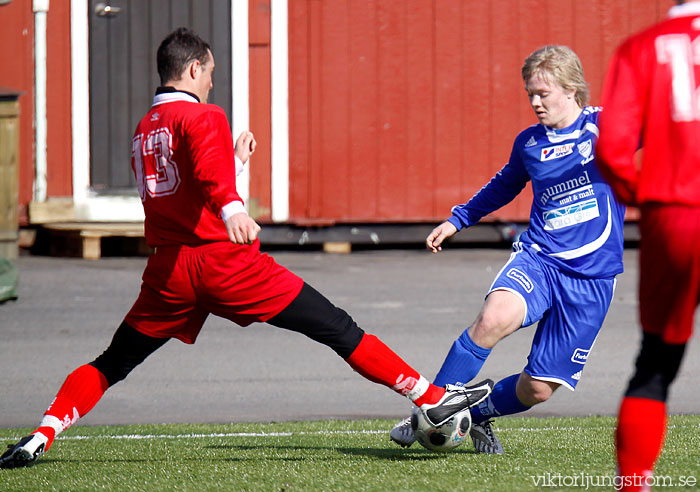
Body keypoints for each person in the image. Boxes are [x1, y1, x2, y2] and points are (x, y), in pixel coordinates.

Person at [0, 28, 494, 469]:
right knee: (336, 327)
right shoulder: (204, 115)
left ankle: (42, 433)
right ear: (193, 69)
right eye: (210, 71)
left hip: (168, 271)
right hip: (222, 263)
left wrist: (234, 166)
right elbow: (211, 181)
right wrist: (234, 206)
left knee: (112, 363)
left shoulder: (144, 128)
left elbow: (190, 185)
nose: (213, 82)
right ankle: (431, 398)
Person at [389, 45, 626, 454]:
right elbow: (503, 185)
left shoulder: (607, 127)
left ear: (571, 90)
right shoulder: (530, 143)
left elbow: (668, 127)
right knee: (492, 318)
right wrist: (457, 219)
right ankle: (430, 411)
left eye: (543, 94)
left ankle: (476, 414)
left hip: (593, 277)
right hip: (540, 258)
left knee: (537, 388)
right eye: (530, 93)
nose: (535, 102)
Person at [596, 1, 700, 489]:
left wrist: (649, 197)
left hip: (672, 214)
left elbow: (613, 148)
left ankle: (634, 482)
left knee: (655, 364)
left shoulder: (640, 47)